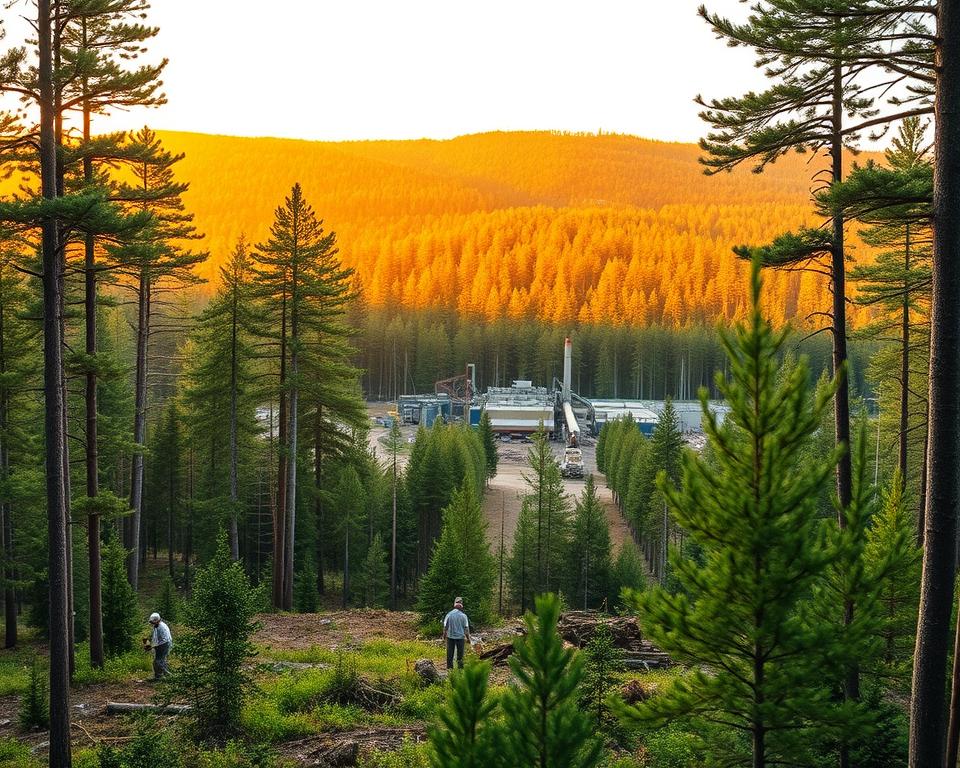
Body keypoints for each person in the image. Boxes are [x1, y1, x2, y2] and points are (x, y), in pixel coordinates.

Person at [442, 596, 471, 670]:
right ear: (461, 606)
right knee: (460, 656)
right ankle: (460, 671)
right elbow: (466, 629)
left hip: (450, 637)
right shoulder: (463, 616)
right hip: (460, 637)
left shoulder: (449, 614)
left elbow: (445, 627)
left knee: (449, 655)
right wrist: (468, 638)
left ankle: (449, 670)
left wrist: (444, 637)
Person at [147, 612, 173, 680]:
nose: (152, 624)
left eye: (153, 622)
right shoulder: (157, 626)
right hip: (162, 645)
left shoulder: (162, 627)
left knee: (158, 661)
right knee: (162, 661)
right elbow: (155, 637)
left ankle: (162, 676)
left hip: (164, 645)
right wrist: (150, 644)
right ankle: (162, 676)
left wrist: (153, 646)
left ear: (157, 620)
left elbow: (164, 640)